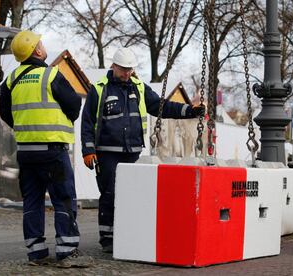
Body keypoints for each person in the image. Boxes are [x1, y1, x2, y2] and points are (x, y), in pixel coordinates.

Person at [81, 47, 205, 253]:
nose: (127, 73)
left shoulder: (138, 87)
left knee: (131, 195)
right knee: (110, 193)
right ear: (113, 66)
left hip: (133, 151)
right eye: (123, 69)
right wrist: (88, 149)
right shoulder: (99, 89)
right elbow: (87, 122)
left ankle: (127, 234)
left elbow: (161, 106)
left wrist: (189, 111)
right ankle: (108, 238)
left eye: (130, 69)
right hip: (107, 152)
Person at [0, 30, 92, 268]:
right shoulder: (51, 75)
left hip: (26, 152)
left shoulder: (10, 80)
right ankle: (67, 250)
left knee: (32, 200)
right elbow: (73, 105)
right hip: (53, 152)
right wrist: (61, 122)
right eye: (40, 43)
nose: (43, 45)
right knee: (63, 199)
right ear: (36, 51)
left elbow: (6, 115)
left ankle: (36, 253)